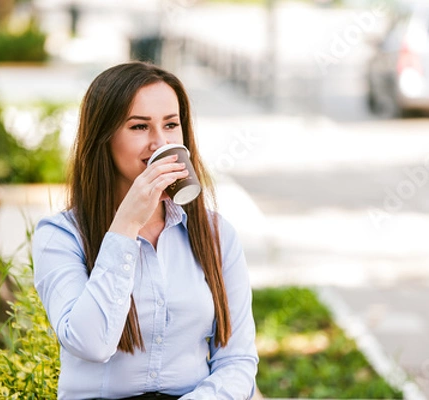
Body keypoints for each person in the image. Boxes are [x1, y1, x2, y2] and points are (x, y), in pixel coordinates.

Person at [32, 61, 259, 400]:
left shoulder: (215, 234)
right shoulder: (61, 236)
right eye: (139, 127)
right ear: (104, 137)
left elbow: (238, 360)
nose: (159, 142)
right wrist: (125, 227)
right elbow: (91, 344)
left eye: (171, 125)